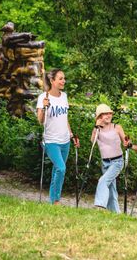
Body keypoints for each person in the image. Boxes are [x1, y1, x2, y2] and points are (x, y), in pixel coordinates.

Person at [37, 69, 80, 205]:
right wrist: (44, 108)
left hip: (65, 140)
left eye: (64, 78)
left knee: (58, 170)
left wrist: (71, 135)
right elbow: (40, 120)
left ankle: (54, 199)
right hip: (51, 141)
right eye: (60, 79)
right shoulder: (43, 97)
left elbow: (65, 118)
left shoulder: (64, 96)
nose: (63, 81)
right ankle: (55, 201)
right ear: (52, 81)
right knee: (61, 168)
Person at [92, 104, 127, 213]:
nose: (108, 116)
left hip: (117, 161)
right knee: (111, 189)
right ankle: (116, 214)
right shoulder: (97, 129)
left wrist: (127, 142)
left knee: (103, 180)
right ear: (99, 117)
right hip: (105, 162)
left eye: (109, 113)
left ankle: (99, 206)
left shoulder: (117, 127)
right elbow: (93, 142)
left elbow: (125, 142)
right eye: (105, 114)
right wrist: (96, 127)